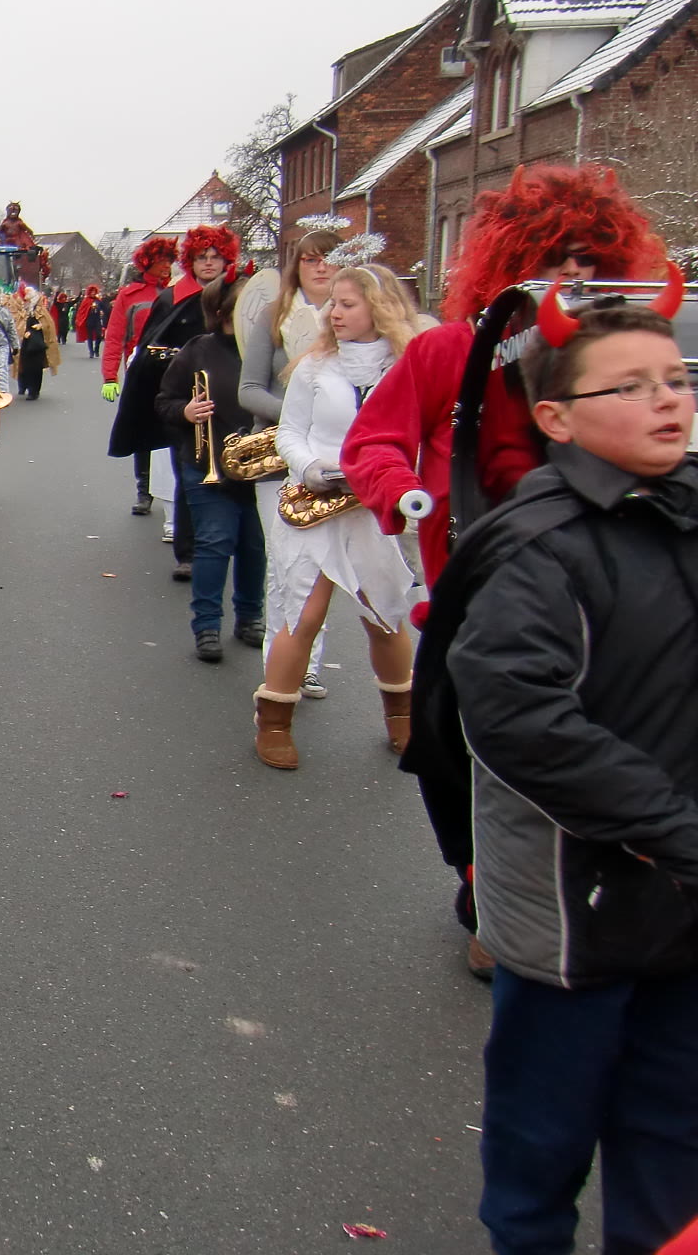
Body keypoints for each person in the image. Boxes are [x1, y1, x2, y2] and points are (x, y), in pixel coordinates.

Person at [424, 297, 698, 1255]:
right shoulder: (538, 546)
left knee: (674, 1141)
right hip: (573, 908)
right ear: (555, 418)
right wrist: (675, 832)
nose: (667, 401)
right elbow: (520, 719)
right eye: (631, 387)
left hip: (682, 902)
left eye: (677, 380)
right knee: (541, 1147)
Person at [341, 162, 667, 596]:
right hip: (475, 565)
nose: (573, 269)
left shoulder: (621, 351)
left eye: (587, 257)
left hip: (591, 562)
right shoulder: (450, 348)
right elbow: (372, 440)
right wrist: (402, 490)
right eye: (554, 254)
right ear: (516, 256)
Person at [253, 266, 426, 770]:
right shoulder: (314, 367)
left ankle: (403, 721)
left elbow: (426, 435)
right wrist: (312, 467)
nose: (334, 313)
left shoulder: (410, 368)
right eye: (333, 303)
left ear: (380, 307)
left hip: (376, 511)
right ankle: (274, 723)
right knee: (303, 615)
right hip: (315, 504)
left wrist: (399, 479)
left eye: (348, 304)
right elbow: (290, 432)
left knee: (385, 617)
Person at [237, 225, 341, 701]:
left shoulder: (355, 318)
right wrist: (300, 415)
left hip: (336, 461)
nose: (320, 267)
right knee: (285, 565)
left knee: (321, 569)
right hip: (279, 459)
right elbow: (249, 390)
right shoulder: (274, 316)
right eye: (310, 259)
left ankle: (308, 665)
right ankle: (281, 667)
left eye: (329, 258)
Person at [112, 225, 237, 580]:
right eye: (202, 257)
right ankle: (189, 553)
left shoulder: (239, 295)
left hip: (230, 400)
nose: (209, 263)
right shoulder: (172, 298)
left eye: (215, 257)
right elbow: (150, 348)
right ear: (191, 261)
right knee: (189, 472)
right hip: (185, 401)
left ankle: (228, 543)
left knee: (232, 474)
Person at [156, 274, 266, 663]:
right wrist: (185, 411)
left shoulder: (268, 350)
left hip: (260, 467)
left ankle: (250, 617)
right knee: (215, 543)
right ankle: (206, 626)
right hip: (208, 464)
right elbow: (164, 401)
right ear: (223, 312)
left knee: (254, 546)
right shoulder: (198, 350)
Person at [101, 236, 178, 514]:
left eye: (169, 260)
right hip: (142, 371)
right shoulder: (130, 296)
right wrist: (110, 377)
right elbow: (115, 337)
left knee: (175, 429)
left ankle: (176, 488)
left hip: (177, 370)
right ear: (147, 263)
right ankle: (144, 490)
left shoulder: (180, 290)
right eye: (161, 261)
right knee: (144, 431)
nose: (166, 266)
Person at [6, 283, 62, 400]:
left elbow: (48, 325)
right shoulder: (22, 309)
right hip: (25, 343)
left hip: (37, 344)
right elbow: (17, 322)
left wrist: (40, 326)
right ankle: (24, 385)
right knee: (24, 365)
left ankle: (34, 391)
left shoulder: (40, 310)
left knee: (36, 367)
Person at [73, 284, 104, 358]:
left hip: (97, 320)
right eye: (92, 292)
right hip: (89, 320)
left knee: (99, 335)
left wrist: (102, 312)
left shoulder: (98, 300)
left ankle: (96, 348)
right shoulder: (86, 301)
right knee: (89, 336)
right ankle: (91, 351)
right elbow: (82, 311)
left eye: (94, 292)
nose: (93, 293)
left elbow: (103, 308)